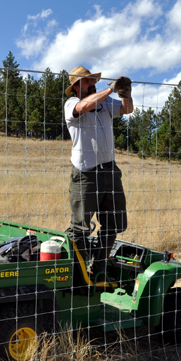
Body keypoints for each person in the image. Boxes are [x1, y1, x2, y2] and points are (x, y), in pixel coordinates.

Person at [64, 65, 134, 281]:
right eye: (86, 82)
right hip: (85, 174)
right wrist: (111, 89)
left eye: (92, 81)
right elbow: (84, 107)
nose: (91, 84)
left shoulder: (104, 103)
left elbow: (127, 110)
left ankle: (99, 268)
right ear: (76, 87)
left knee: (113, 223)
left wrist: (125, 94)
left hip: (110, 171)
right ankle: (78, 272)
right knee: (80, 228)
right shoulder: (72, 104)